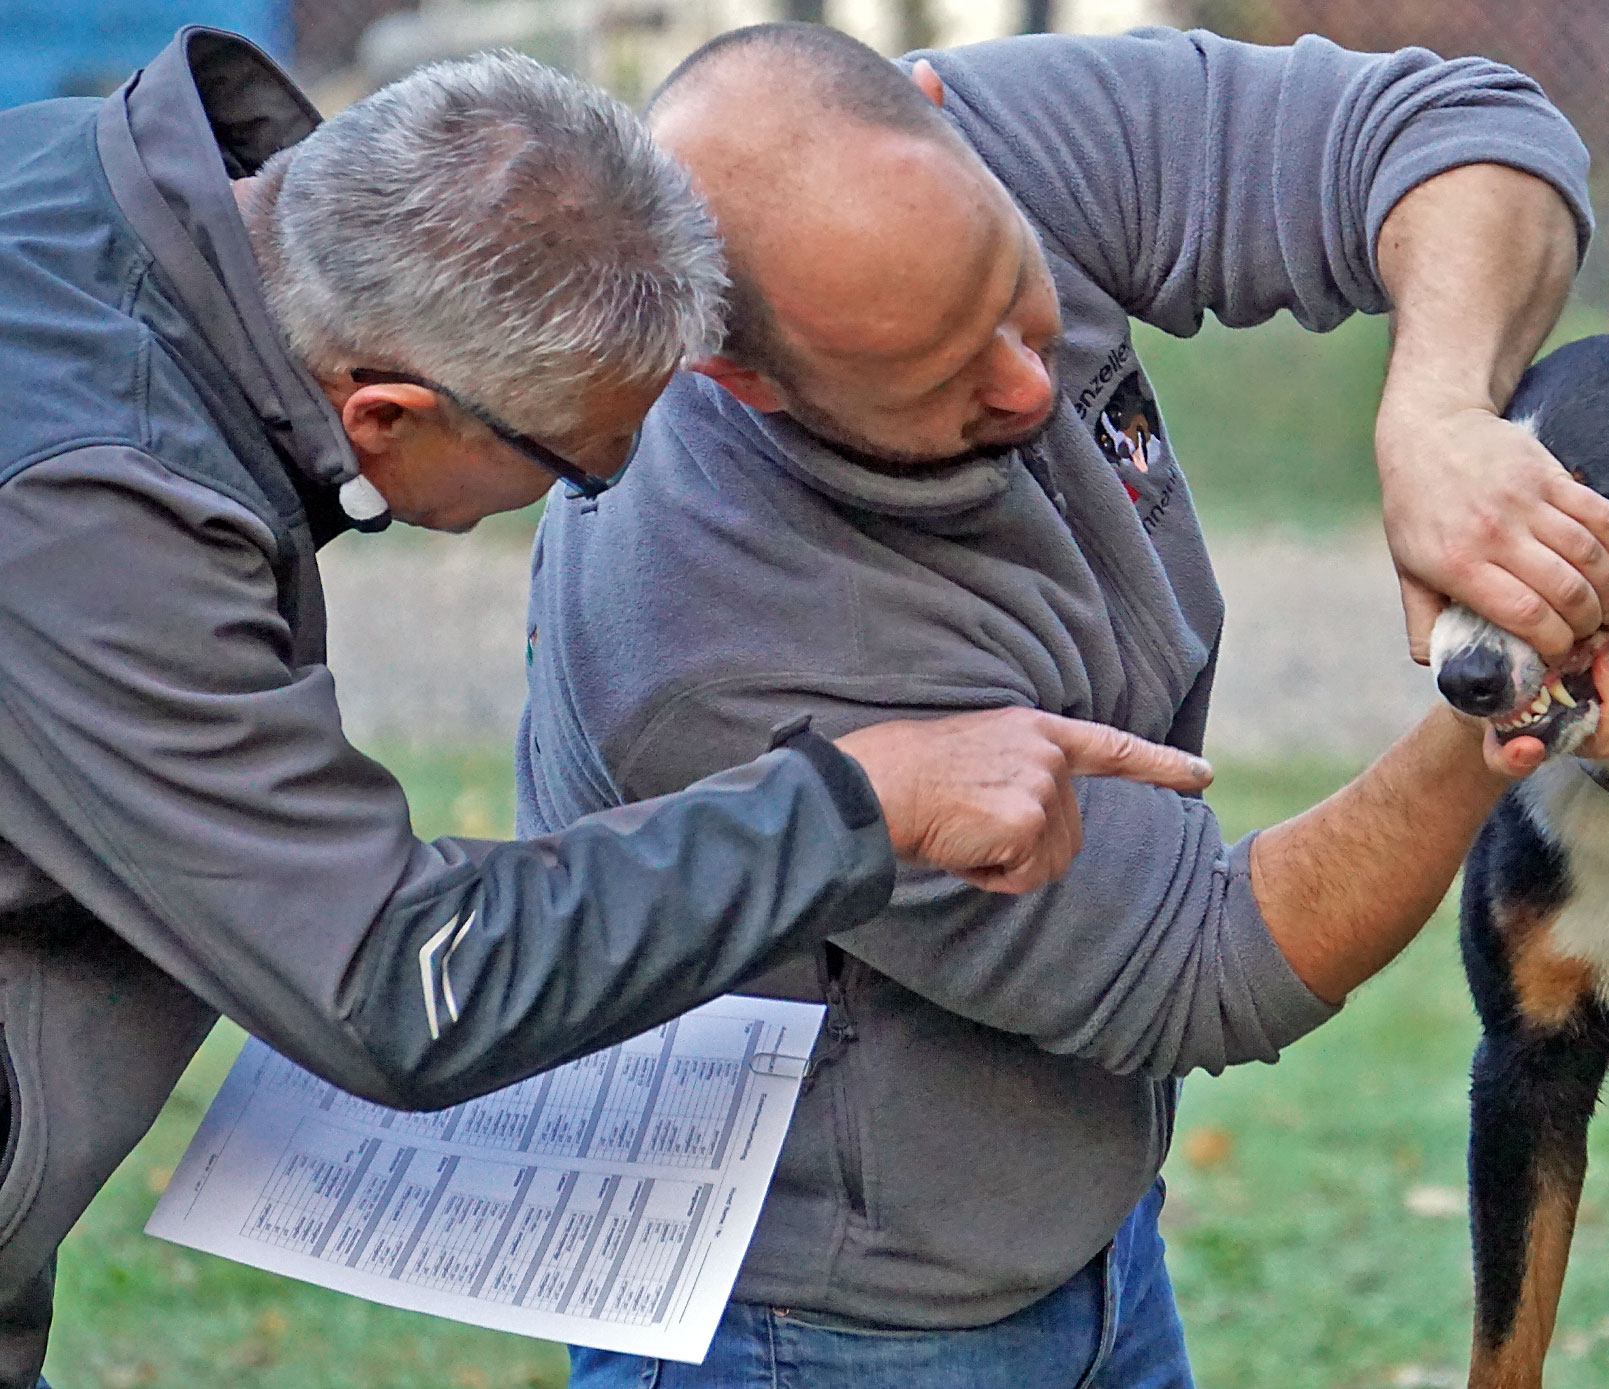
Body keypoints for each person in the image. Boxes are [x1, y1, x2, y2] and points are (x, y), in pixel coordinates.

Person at [0, 27, 1215, 1389]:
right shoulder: (93, 522)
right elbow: (403, 981)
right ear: (388, 413)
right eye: (584, 464)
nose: (612, 496)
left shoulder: (72, 199)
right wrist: (856, 800)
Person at [521, 21, 1609, 1389]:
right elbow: (1199, 964)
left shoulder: (996, 132)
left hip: (1083, 1231)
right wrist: (1497, 699)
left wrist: (1437, 409)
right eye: (941, 382)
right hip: (825, 1326)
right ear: (739, 373)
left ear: (944, 114)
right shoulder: (711, 628)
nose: (1030, 384)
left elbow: (1472, 133)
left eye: (1013, 290)